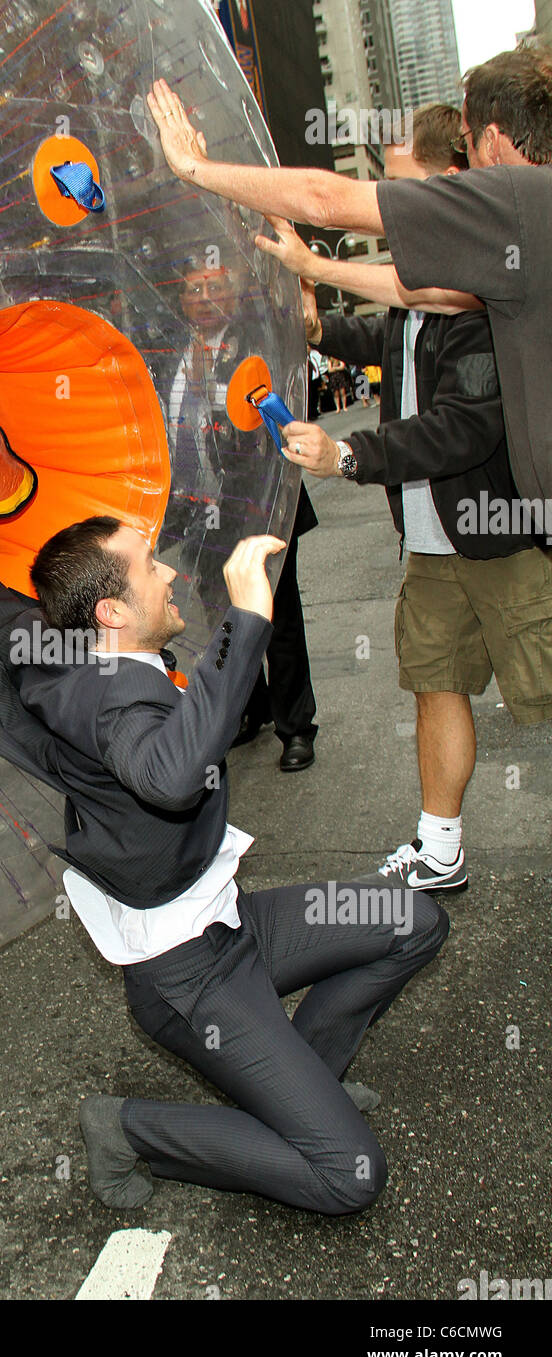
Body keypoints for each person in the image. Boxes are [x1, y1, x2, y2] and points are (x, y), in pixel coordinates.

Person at [0, 519, 449, 1215]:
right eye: (148, 567)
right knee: (349, 1176)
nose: (169, 573)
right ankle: (129, 1129)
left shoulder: (51, 642)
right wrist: (247, 618)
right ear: (112, 612)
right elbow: (168, 776)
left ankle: (307, 1078)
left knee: (416, 920)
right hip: (189, 978)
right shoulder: (115, 701)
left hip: (233, 923)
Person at [271, 103, 552, 894]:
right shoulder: (415, 286)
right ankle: (440, 847)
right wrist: (317, 324)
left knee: (544, 688)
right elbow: (389, 346)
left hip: (505, 535)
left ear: (452, 187)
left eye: (403, 192)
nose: (390, 212)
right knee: (437, 683)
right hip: (431, 543)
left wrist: (350, 453)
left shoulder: (489, 287)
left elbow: (462, 428)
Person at [146, 43, 552, 509]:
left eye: (468, 139)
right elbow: (432, 298)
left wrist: (197, 169)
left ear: (494, 142)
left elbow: (325, 200)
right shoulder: (520, 234)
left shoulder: (513, 202)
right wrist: (314, 271)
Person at [159, 264, 320, 770]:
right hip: (200, 516)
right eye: (193, 290)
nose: (204, 298)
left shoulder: (253, 348)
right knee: (224, 621)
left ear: (233, 295)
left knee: (279, 618)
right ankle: (252, 710)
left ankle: (296, 727)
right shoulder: (176, 361)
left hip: (258, 508)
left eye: (215, 288)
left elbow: (272, 426)